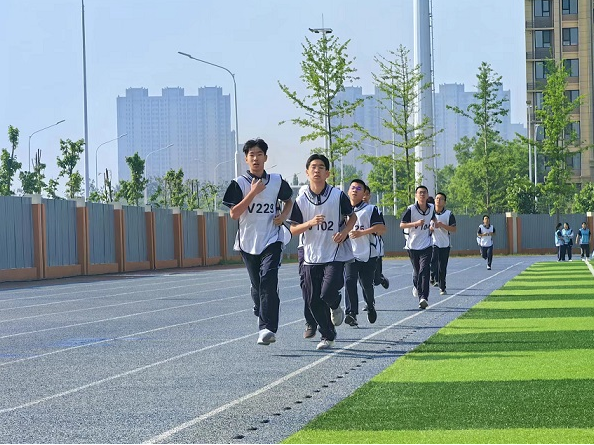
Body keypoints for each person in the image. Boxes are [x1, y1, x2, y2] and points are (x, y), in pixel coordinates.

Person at [222, 138, 293, 346]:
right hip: (248, 242)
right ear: (246, 159)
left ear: (265, 158)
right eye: (251, 155)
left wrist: (283, 216)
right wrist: (253, 192)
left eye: (259, 154)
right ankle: (259, 305)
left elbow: (289, 201)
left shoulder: (277, 181)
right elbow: (234, 214)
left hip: (272, 238)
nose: (255, 158)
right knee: (258, 285)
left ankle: (266, 328)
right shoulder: (239, 183)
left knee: (269, 281)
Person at [288, 154, 357, 350]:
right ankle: (328, 334)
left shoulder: (337, 195)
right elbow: (293, 229)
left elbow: (352, 217)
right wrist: (310, 223)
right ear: (307, 172)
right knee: (312, 300)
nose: (316, 170)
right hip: (311, 255)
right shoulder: (301, 200)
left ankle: (335, 304)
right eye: (313, 167)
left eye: (321, 167)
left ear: (327, 173)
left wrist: (344, 232)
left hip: (334, 252)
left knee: (327, 292)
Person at [344, 179, 387, 327]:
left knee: (366, 285)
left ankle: (370, 305)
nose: (355, 190)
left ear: (363, 193)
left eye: (359, 188)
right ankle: (351, 313)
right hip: (350, 254)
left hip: (368, 254)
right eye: (353, 188)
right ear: (348, 191)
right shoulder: (342, 210)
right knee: (349, 281)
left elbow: (382, 229)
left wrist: (362, 233)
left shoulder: (370, 209)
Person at [400, 185, 435, 310]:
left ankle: (423, 297)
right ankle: (416, 286)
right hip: (413, 246)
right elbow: (402, 225)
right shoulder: (411, 209)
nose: (422, 195)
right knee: (417, 271)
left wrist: (433, 224)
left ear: (427, 195)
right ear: (416, 195)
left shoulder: (431, 208)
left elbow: (433, 218)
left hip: (427, 244)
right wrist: (415, 223)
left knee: (424, 270)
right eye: (420, 193)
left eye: (424, 192)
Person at [362, 185, 389, 291]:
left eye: (367, 194)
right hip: (358, 249)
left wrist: (371, 231)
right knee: (363, 279)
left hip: (374, 247)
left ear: (370, 196)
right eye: (362, 194)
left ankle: (380, 279)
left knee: (376, 280)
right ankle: (368, 300)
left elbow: (382, 228)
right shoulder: (352, 211)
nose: (364, 197)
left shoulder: (375, 210)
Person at [429, 192, 457, 295]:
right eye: (437, 198)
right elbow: (424, 226)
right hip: (432, 242)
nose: (438, 200)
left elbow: (454, 229)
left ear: (444, 202)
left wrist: (442, 225)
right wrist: (430, 228)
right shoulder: (429, 213)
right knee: (433, 260)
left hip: (445, 244)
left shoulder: (449, 214)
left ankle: (442, 287)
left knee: (442, 267)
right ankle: (432, 276)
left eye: (441, 199)